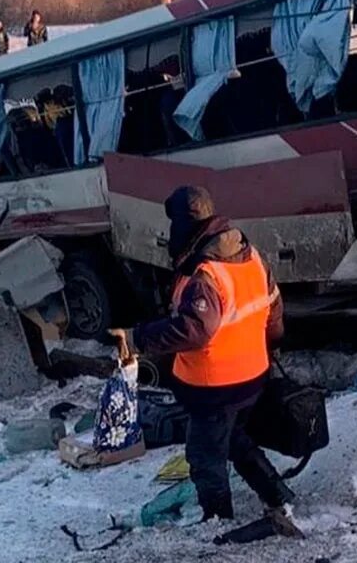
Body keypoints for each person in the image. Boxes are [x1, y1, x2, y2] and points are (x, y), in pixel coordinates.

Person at [117, 186, 298, 533]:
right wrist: (269, 347)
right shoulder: (249, 255)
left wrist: (136, 337)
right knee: (233, 440)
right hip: (251, 376)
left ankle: (217, 520)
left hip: (216, 387)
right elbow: (273, 309)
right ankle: (278, 493)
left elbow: (195, 329)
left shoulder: (206, 274)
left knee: (204, 458)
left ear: (184, 226)